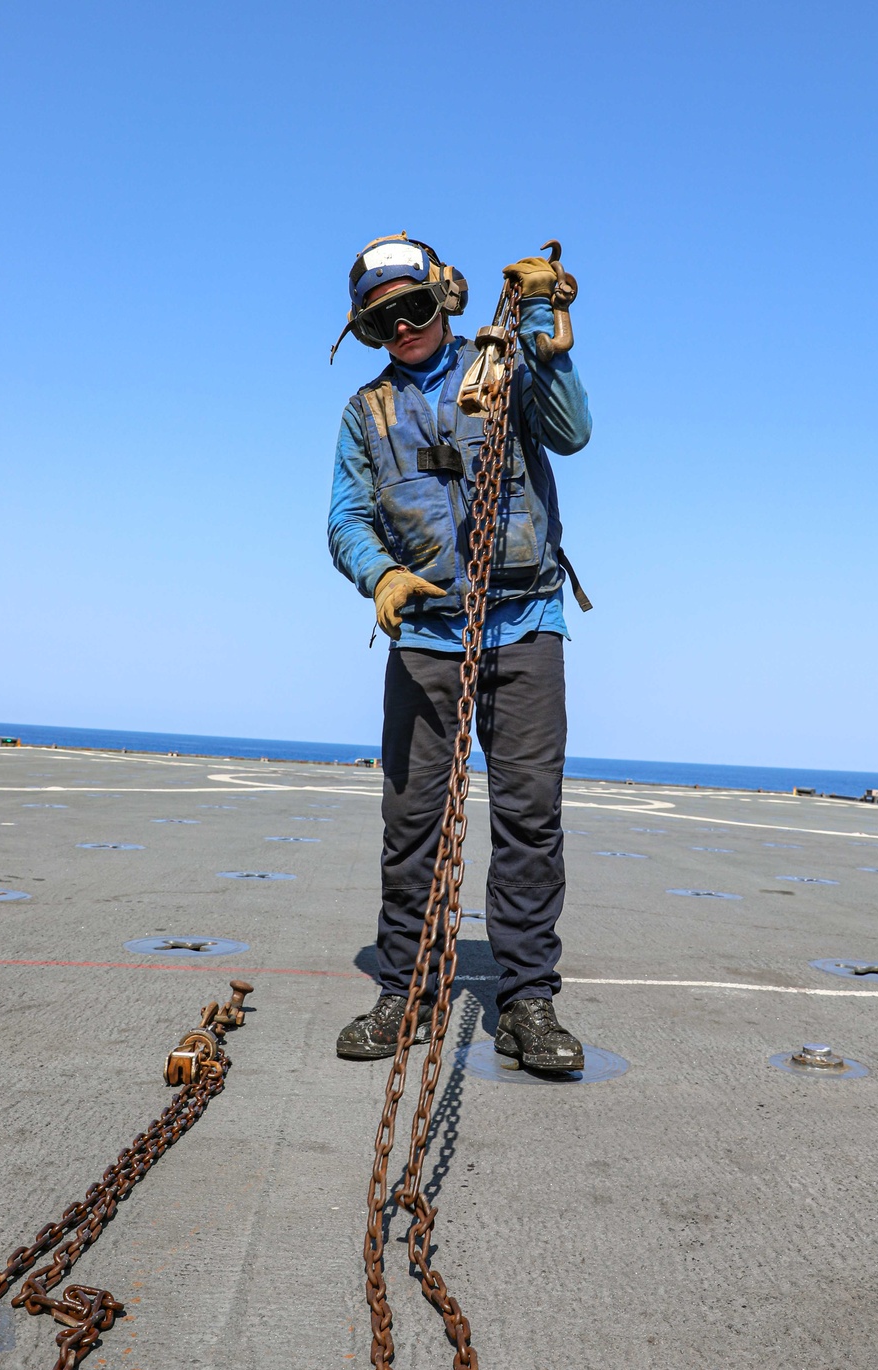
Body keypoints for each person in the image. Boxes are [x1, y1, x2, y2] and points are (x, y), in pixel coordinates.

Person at [328, 233, 592, 1073]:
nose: (402, 328)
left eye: (413, 307)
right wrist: (380, 575)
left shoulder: (503, 370)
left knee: (528, 821)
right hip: (428, 638)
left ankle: (526, 1003)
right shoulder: (365, 414)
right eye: (382, 321)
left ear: (443, 297)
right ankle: (403, 990)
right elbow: (345, 519)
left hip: (523, 624)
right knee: (410, 823)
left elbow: (573, 432)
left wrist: (545, 326)